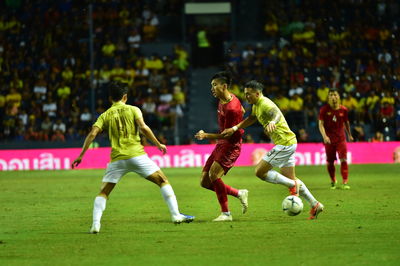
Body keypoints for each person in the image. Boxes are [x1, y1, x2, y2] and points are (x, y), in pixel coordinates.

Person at [72, 81, 194, 234]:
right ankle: (176, 215)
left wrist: (81, 155)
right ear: (125, 96)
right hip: (137, 156)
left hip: (117, 159)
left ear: (110, 98)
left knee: (103, 192)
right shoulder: (133, 109)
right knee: (162, 180)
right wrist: (158, 144)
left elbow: (92, 134)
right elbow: (143, 128)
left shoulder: (104, 115)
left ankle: (95, 224)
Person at [222, 80, 324, 220]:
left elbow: (275, 113)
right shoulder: (256, 105)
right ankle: (315, 204)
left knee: (260, 172)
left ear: (257, 93)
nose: (246, 97)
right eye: (245, 94)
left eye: (249, 94)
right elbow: (252, 118)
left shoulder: (265, 103)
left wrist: (272, 122)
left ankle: (292, 185)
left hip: (284, 143)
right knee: (290, 178)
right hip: (289, 142)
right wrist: (235, 128)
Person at [194, 71, 248, 222]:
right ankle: (239, 193)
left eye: (215, 85)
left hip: (231, 145)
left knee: (213, 176)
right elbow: (243, 111)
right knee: (204, 181)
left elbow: (227, 135)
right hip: (222, 144)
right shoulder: (223, 99)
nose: (212, 88)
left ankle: (226, 214)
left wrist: (206, 136)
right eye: (211, 85)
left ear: (224, 86)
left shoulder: (232, 108)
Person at [318, 88, 353, 190]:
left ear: (339, 97)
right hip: (329, 140)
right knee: (330, 161)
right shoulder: (324, 110)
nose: (333, 97)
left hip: (341, 139)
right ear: (328, 98)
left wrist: (349, 135)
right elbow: (320, 124)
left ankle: (345, 182)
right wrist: (324, 136)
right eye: (331, 95)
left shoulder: (344, 110)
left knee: (343, 159)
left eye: (335, 95)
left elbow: (346, 123)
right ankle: (333, 180)